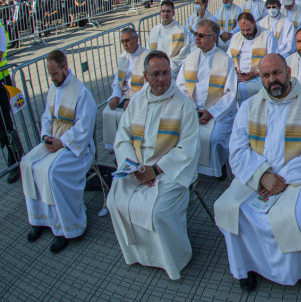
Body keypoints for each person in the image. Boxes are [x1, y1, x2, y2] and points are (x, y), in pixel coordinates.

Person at [214, 53, 301, 296]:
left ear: (288, 72)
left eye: (277, 73)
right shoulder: (249, 107)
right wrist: (262, 176)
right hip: (258, 178)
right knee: (229, 207)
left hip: (300, 181)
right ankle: (246, 267)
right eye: (266, 75)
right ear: (260, 78)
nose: (272, 80)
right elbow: (237, 149)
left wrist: (282, 179)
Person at [107, 50, 200, 280]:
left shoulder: (183, 105)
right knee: (114, 201)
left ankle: (173, 259)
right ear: (145, 76)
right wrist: (135, 167)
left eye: (166, 73)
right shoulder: (137, 101)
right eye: (156, 74)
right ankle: (138, 254)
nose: (162, 79)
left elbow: (187, 149)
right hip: (137, 169)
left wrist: (155, 170)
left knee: (157, 212)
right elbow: (123, 138)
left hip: (169, 172)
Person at [19, 50, 95, 253]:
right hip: (54, 141)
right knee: (27, 164)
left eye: (55, 74)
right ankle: (40, 219)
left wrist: (62, 142)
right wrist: (46, 136)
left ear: (65, 68)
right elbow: (47, 116)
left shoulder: (81, 92)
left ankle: (67, 227)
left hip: (77, 147)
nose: (52, 78)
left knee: (52, 173)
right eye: (50, 74)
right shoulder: (54, 89)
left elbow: (85, 128)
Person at [176, 19, 238, 179]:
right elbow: (181, 87)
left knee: (214, 139)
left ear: (213, 38)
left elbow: (230, 93)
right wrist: (193, 110)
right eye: (196, 34)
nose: (197, 38)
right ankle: (190, 169)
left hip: (218, 113)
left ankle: (218, 168)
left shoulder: (225, 60)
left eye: (201, 35)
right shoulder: (190, 58)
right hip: (193, 110)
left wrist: (211, 112)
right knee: (181, 134)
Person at [103, 27, 150, 150]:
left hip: (141, 95)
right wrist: (115, 95)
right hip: (125, 94)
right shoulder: (123, 57)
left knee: (129, 115)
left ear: (136, 39)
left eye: (127, 40)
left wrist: (133, 99)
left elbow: (149, 83)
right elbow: (117, 80)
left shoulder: (147, 56)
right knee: (107, 112)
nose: (125, 44)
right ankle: (116, 147)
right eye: (122, 41)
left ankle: (133, 146)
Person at [228, 13, 278, 103]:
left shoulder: (267, 36)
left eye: (248, 29)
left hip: (260, 77)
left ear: (254, 23)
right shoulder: (236, 37)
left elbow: (273, 60)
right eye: (242, 30)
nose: (245, 33)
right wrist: (235, 71)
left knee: (240, 90)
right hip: (238, 77)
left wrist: (256, 73)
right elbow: (228, 59)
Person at [148, 0, 192, 76]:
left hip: (173, 70)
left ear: (173, 13)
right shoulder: (154, 30)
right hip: (155, 68)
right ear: (160, 13)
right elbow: (148, 50)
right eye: (163, 11)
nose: (165, 14)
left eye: (168, 11)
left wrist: (166, 66)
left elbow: (183, 54)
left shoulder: (181, 30)